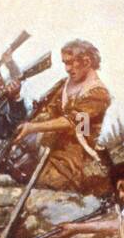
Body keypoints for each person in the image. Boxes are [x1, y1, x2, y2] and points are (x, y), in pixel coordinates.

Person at [14, 40, 113, 197]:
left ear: (87, 62)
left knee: (46, 185)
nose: (67, 69)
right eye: (65, 63)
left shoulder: (98, 93)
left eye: (71, 63)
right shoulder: (64, 84)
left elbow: (71, 121)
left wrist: (33, 128)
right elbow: (48, 111)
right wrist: (17, 100)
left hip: (75, 156)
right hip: (50, 147)